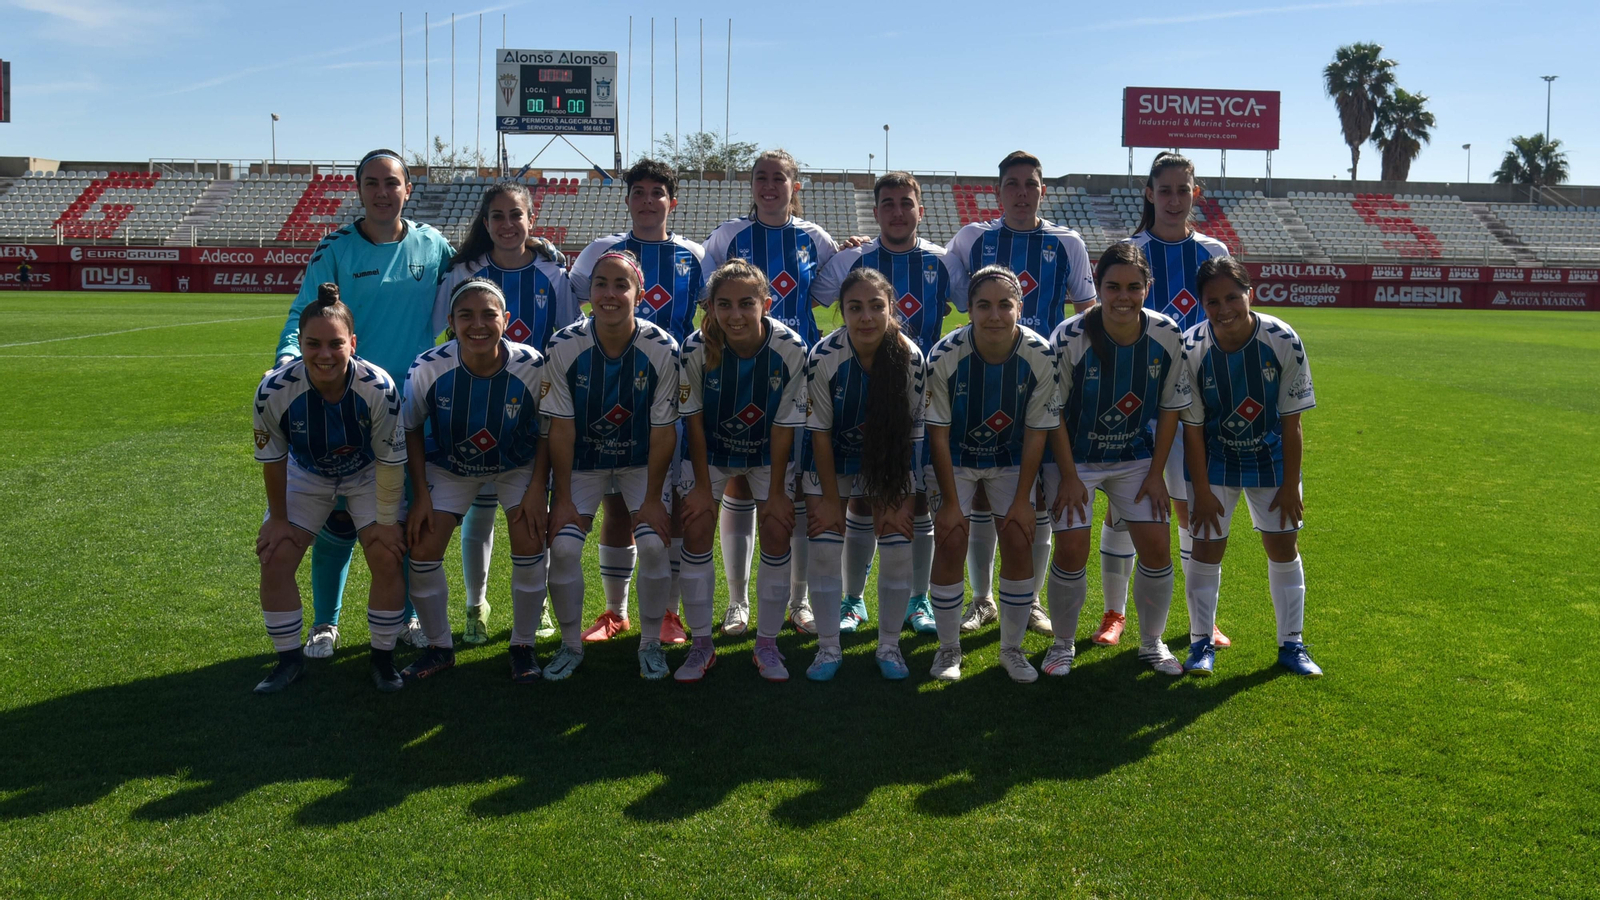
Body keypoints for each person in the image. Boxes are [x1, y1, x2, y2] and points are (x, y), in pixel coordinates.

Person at [273, 149, 454, 658]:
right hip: (347, 405)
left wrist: (535, 244)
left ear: (407, 190)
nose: (382, 192)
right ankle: (326, 624)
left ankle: (407, 617)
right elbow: (302, 314)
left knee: (399, 523)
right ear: (358, 190)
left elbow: (477, 270)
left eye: (391, 183)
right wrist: (288, 361)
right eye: (371, 183)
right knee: (335, 523)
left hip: (415, 408)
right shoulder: (335, 248)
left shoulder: (432, 245)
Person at [945, 151, 1096, 640]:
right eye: (1012, 183)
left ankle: (1026, 599)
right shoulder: (974, 238)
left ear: (1042, 190)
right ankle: (984, 598)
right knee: (988, 489)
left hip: (1046, 385)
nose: (1022, 192)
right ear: (999, 190)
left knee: (1037, 496)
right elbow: (940, 283)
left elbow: (1085, 310)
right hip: (982, 382)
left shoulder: (1066, 241)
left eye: (1030, 183)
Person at [1094, 151, 1232, 649]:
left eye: (1183, 190)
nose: (1175, 199)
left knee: (1192, 507)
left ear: (1196, 194)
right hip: (1136, 401)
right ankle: (1114, 613)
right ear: (1149, 194)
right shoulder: (1128, 249)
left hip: (1199, 403)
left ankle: (1203, 619)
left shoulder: (1213, 249)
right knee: (1122, 510)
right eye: (1165, 190)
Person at [810, 171, 957, 637]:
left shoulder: (943, 260)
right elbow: (815, 296)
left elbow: (967, 303)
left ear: (920, 209)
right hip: (852, 391)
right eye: (888, 203)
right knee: (858, 504)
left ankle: (919, 600)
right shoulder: (850, 260)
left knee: (914, 504)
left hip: (920, 395)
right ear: (875, 213)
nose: (897, 211)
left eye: (905, 203)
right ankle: (853, 600)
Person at [703, 149, 841, 636]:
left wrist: (854, 246)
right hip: (737, 373)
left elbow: (829, 287)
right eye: (761, 177)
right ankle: (738, 602)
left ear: (794, 186)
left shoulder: (814, 237)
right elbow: (710, 298)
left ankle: (798, 602)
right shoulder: (727, 235)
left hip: (796, 370)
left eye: (778, 178)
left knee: (795, 492)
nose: (769, 185)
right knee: (740, 482)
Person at [570, 159, 705, 645]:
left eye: (657, 193)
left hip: (675, 391)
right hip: (612, 394)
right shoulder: (602, 252)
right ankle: (614, 612)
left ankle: (667, 611)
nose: (648, 201)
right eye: (639, 192)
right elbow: (572, 302)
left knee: (669, 499)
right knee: (616, 505)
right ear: (627, 200)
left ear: (673, 201)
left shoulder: (695, 252)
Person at [435, 181, 576, 646]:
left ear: (530, 220)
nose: (507, 224)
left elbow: (569, 340)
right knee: (479, 512)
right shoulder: (464, 272)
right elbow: (438, 337)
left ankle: (535, 613)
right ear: (485, 223)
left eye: (516, 215)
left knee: (535, 514)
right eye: (497, 216)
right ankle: (476, 605)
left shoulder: (553, 272)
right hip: (474, 408)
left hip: (534, 413)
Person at [1040, 243, 1190, 678]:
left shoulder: (1167, 333)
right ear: (1098, 288)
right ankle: (1063, 645)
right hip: (1075, 458)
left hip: (1134, 458)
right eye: (1112, 287)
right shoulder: (1070, 336)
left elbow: (1169, 408)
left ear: (1148, 287)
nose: (1122, 296)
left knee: (1158, 548)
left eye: (1133, 287)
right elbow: (1052, 413)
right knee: (1071, 548)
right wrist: (1068, 476)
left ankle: (1151, 643)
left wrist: (1157, 473)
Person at [251, 287, 409, 694]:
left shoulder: (378, 387)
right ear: (299, 343)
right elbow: (273, 459)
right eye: (313, 344)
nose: (324, 354)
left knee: (387, 554)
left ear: (353, 343)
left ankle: (383, 660)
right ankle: (288, 661)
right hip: (308, 473)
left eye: (336, 343)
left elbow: (391, 461)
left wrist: (388, 522)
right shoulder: (273, 390)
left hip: (366, 472)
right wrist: (279, 520)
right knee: (276, 555)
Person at [1178, 258, 1322, 678]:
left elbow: (1292, 422)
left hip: (1271, 458)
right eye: (1212, 301)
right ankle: (1200, 642)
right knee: (1206, 549)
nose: (1224, 309)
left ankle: (1292, 645)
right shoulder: (1192, 347)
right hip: (1214, 459)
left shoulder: (1282, 339)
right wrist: (1200, 491)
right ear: (1201, 305)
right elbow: (1193, 429)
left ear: (1249, 294)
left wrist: (1290, 484)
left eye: (1231, 297)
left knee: (1283, 547)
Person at [400, 279, 550, 682]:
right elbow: (412, 429)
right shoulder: (428, 366)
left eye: (489, 315)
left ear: (507, 320)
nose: (478, 324)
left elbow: (549, 430)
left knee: (530, 537)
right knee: (423, 547)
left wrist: (538, 489)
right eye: (466, 315)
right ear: (450, 322)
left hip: (516, 465)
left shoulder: (532, 365)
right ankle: (439, 647)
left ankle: (523, 646)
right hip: (451, 467)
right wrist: (419, 497)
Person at [542, 250, 681, 681]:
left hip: (642, 461)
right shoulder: (563, 345)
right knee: (563, 548)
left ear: (639, 293)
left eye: (621, 284)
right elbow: (560, 429)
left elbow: (663, 432)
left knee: (656, 544)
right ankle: (569, 645)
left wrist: (655, 499)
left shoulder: (662, 348)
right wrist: (562, 498)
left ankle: (650, 644)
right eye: (601, 283)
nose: (609, 293)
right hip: (584, 462)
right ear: (589, 291)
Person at [923, 266, 1058, 683]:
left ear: (1021, 308)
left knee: (1019, 538)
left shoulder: (1040, 354)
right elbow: (938, 435)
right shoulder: (945, 356)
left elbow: (1037, 433)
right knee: (949, 541)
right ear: (968, 309)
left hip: (1011, 458)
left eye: (1005, 304)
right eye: (984, 305)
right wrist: (948, 503)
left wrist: (1022, 501)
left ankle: (1011, 650)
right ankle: (948, 651)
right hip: (956, 458)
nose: (995, 314)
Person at [677, 258, 809, 682]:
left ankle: (767, 644)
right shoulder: (695, 348)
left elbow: (785, 425)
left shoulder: (791, 347)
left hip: (769, 453)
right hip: (710, 452)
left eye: (746, 303)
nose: (735, 314)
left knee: (776, 527)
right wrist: (700, 486)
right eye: (724, 304)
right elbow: (693, 421)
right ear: (711, 307)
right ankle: (701, 645)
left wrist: (775, 494)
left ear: (766, 303)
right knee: (696, 524)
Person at [801, 267, 926, 681]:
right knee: (822, 543)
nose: (867, 317)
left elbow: (912, 433)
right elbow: (818, 434)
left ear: (892, 309)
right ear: (842, 312)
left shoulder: (909, 356)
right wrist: (832, 504)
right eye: (855, 308)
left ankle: (889, 646)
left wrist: (899, 496)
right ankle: (827, 648)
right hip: (832, 458)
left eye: (876, 306)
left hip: (890, 457)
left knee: (895, 540)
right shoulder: (823, 356)